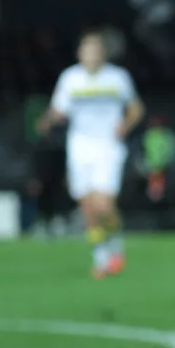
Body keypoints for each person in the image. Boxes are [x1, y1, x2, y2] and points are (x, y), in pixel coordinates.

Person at [38, 30, 144, 277]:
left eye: (95, 50)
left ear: (103, 54)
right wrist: (47, 121)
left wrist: (126, 125)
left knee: (104, 204)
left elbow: (136, 108)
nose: (91, 54)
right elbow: (59, 109)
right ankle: (101, 258)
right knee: (87, 206)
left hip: (108, 147)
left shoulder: (117, 78)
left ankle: (115, 244)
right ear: (80, 53)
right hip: (80, 147)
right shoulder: (70, 78)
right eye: (87, 49)